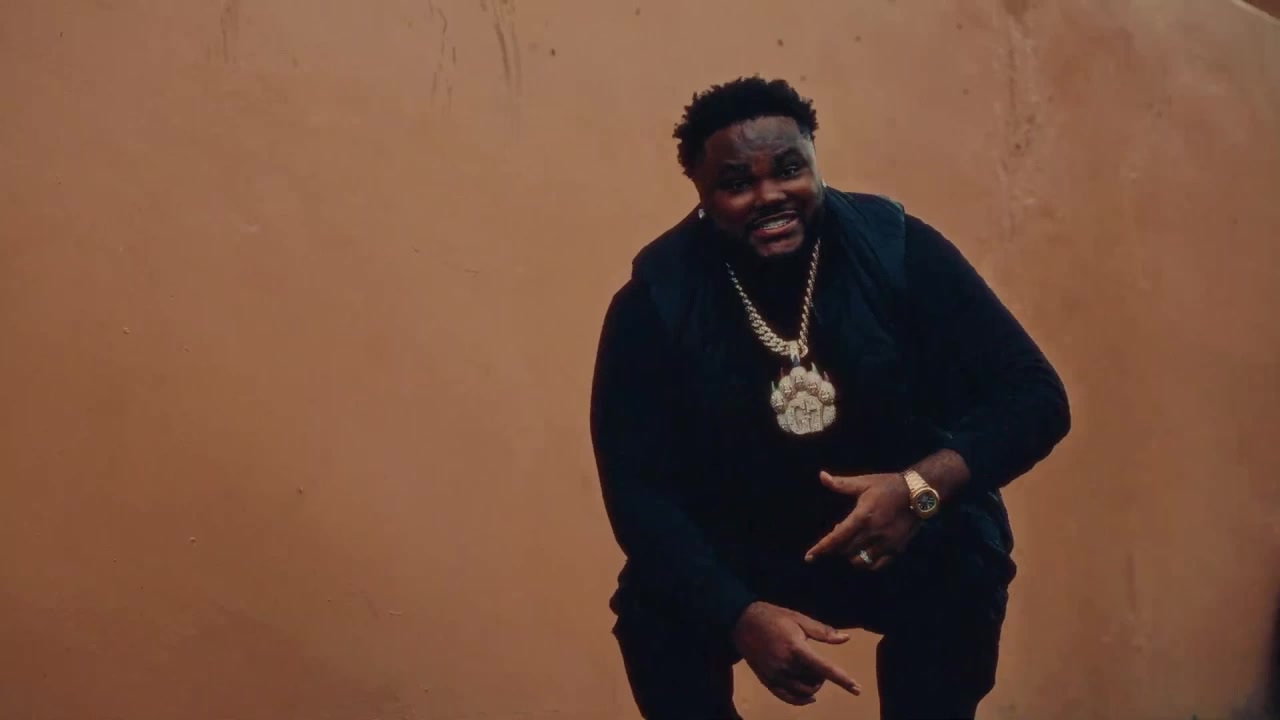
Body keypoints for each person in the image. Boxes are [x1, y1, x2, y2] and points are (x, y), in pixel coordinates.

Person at [589, 76, 1071, 720]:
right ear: (699, 188)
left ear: (814, 159)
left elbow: (1036, 396)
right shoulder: (656, 298)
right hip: (745, 549)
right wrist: (736, 613)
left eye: (789, 169)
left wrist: (918, 489)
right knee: (653, 606)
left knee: (966, 557)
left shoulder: (896, 247)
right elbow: (637, 492)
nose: (770, 195)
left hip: (903, 525)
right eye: (737, 182)